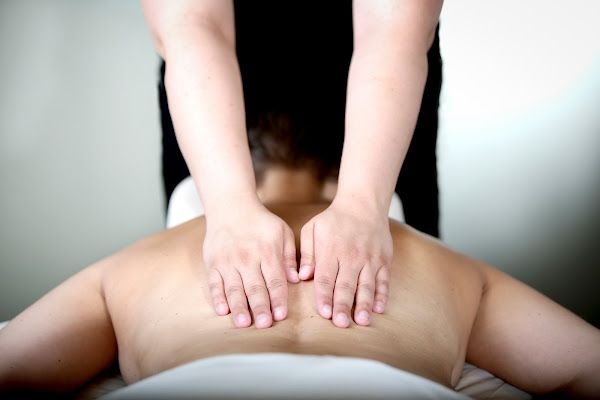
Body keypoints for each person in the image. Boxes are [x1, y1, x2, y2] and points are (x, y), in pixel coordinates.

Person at [1, 113, 599, 398]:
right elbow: (585, 367)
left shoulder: (133, 264)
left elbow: (14, 370)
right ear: (346, 175)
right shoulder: (445, 264)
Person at [142, 0, 443, 329]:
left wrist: (362, 208)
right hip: (208, 89)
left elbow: (392, 28)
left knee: (413, 279)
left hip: (384, 88)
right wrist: (229, 210)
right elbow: (193, 23)